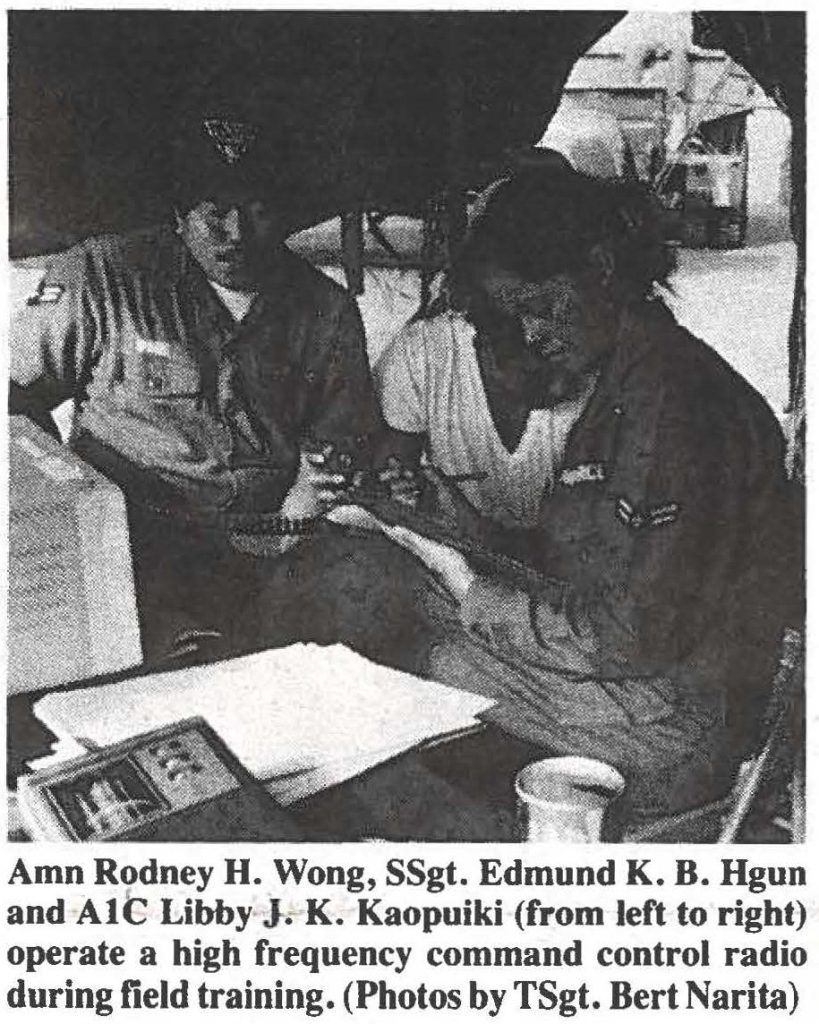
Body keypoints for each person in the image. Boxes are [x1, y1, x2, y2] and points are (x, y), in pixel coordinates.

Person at [364, 168, 798, 827]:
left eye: (539, 308)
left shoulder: (670, 408)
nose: (530, 337)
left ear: (598, 269)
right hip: (659, 672)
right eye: (517, 317)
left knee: (417, 651)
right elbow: (586, 562)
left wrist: (465, 584)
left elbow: (627, 637)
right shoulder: (634, 375)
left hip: (681, 719)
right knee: (403, 599)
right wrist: (445, 525)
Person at [10, 114, 390, 659]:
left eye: (257, 211)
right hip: (133, 546)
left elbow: (341, 438)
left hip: (270, 542)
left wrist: (306, 498)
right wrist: (67, 508)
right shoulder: (104, 276)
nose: (235, 232)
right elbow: (15, 401)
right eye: (215, 212)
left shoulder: (325, 310)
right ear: (178, 215)